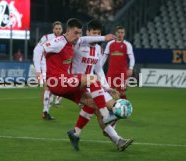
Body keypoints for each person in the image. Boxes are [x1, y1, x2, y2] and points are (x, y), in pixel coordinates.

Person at [35, 18, 117, 149]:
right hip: (64, 81)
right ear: (68, 31)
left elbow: (97, 64)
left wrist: (107, 87)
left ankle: (77, 133)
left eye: (79, 33)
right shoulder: (61, 42)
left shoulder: (80, 43)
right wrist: (39, 72)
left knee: (93, 104)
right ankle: (108, 118)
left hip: (76, 84)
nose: (78, 36)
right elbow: (39, 50)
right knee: (93, 81)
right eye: (76, 33)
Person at [71, 19, 133, 151]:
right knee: (100, 112)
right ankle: (117, 139)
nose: (96, 36)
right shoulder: (79, 44)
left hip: (94, 84)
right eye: (94, 33)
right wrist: (104, 37)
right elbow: (81, 39)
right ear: (87, 32)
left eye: (99, 33)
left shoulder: (98, 48)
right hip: (79, 85)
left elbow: (98, 69)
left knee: (116, 109)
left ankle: (76, 132)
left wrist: (107, 87)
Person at [33, 21, 63, 120]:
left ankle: (46, 110)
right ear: (53, 29)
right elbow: (37, 50)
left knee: (53, 89)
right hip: (46, 66)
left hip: (57, 68)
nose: (58, 30)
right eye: (56, 28)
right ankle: (45, 111)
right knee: (48, 88)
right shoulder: (46, 38)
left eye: (59, 29)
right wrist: (38, 70)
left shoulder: (63, 39)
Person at [102, 26, 135, 99]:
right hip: (111, 72)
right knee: (108, 91)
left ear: (124, 34)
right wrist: (99, 66)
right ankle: (109, 107)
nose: (120, 34)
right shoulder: (110, 44)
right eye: (118, 32)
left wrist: (131, 68)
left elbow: (131, 57)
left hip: (122, 72)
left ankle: (125, 107)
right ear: (115, 33)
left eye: (122, 32)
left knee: (122, 92)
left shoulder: (127, 44)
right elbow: (104, 56)